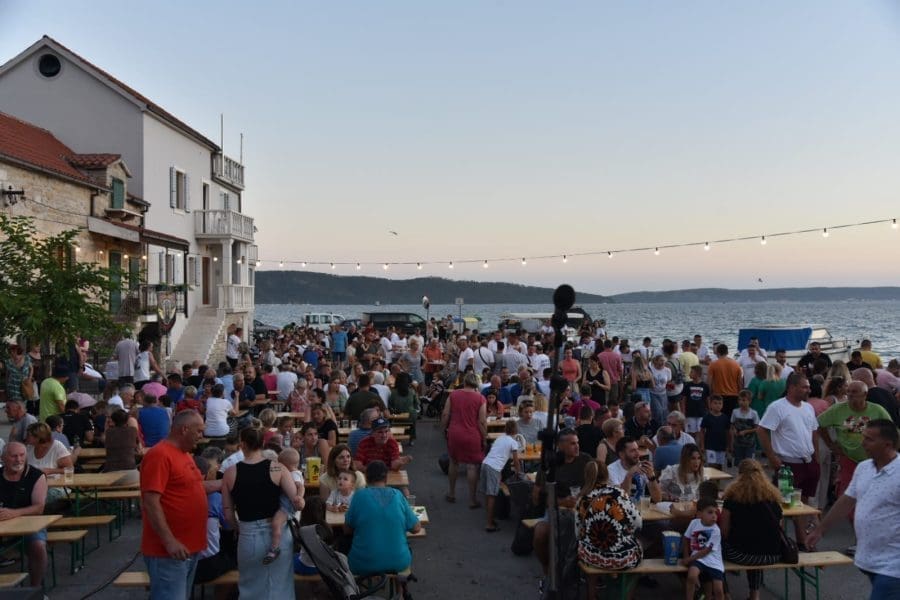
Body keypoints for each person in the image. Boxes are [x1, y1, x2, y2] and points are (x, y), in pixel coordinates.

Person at [807, 420, 899, 598]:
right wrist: (820, 529)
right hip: (870, 560)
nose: (862, 443)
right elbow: (846, 501)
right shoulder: (864, 468)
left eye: (869, 439)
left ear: (888, 445)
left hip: (894, 565)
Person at [222, 426, 302, 598]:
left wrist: (238, 528)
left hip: (248, 533)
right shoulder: (277, 468)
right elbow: (295, 501)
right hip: (279, 534)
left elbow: (228, 514)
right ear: (263, 443)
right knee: (281, 587)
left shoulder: (230, 473)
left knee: (250, 587)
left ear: (242, 445)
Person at [140, 410, 208, 600]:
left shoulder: (184, 454)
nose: (201, 436)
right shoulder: (160, 455)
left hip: (187, 548)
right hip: (168, 552)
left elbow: (193, 487)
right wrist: (169, 541)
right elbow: (150, 501)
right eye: (199, 431)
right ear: (185, 429)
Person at [757, 373, 820, 548]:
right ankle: (785, 542)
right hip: (788, 465)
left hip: (808, 462)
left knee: (804, 502)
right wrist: (771, 456)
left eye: (808, 387)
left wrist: (816, 458)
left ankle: (801, 540)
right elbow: (761, 430)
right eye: (804, 387)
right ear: (792, 387)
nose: (808, 390)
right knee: (786, 503)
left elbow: (814, 431)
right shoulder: (777, 407)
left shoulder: (808, 407)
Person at [720, 459, 785, 600]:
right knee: (756, 545)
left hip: (742, 554)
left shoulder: (732, 498)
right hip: (773, 554)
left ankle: (725, 593)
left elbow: (724, 531)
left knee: (714, 548)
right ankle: (754, 595)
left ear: (740, 475)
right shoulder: (773, 497)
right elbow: (780, 528)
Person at [532, 429, 593, 577]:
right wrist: (562, 501)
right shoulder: (550, 463)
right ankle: (547, 568)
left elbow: (597, 483)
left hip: (583, 509)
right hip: (557, 509)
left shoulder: (586, 460)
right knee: (540, 533)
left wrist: (583, 495)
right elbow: (537, 498)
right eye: (572, 443)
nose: (577, 446)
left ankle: (589, 574)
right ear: (560, 445)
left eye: (577, 443)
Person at [817, 381, 891, 502]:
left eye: (855, 392)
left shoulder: (877, 410)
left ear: (865, 394)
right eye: (848, 391)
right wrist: (830, 444)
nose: (850, 395)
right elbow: (819, 424)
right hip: (848, 458)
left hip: (872, 461)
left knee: (870, 494)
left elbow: (891, 431)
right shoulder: (838, 409)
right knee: (847, 494)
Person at [344, 460, 421, 577]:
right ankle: (399, 587)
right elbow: (416, 528)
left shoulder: (359, 496)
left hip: (362, 563)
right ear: (386, 478)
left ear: (366, 478)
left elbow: (347, 530)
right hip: (399, 562)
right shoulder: (398, 495)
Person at [576, 460, 642, 572]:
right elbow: (638, 524)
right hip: (622, 560)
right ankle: (625, 583)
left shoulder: (582, 498)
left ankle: (595, 583)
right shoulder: (619, 493)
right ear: (607, 475)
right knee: (640, 543)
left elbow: (577, 533)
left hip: (590, 557)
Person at [0, 441, 49, 587]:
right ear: (3, 458)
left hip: (30, 524)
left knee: (38, 546)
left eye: (22, 455)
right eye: (13, 456)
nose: (19, 460)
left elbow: (39, 508)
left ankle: (35, 590)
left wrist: (14, 513)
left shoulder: (36, 476)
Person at [441, 372, 486, 507]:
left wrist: (444, 429)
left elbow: (445, 414)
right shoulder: (480, 398)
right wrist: (484, 437)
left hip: (455, 433)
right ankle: (472, 499)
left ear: (464, 382)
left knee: (454, 462)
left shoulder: (453, 395)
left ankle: (451, 493)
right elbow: (481, 421)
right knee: (472, 466)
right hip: (472, 435)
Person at [480, 420, 522, 532]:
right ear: (516, 430)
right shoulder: (513, 442)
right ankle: (489, 524)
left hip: (485, 463)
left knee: (487, 494)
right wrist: (519, 473)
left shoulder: (500, 438)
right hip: (494, 468)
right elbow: (516, 461)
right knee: (492, 495)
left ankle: (490, 518)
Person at [266, 447, 305, 564]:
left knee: (276, 523)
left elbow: (301, 486)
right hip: (285, 505)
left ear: (285, 465)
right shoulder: (295, 473)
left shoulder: (293, 474)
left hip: (286, 507)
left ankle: (274, 548)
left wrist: (299, 496)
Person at [682, 498, 725, 600]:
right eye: (710, 512)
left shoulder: (716, 530)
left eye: (715, 512)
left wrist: (689, 559)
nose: (714, 516)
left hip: (714, 561)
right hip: (698, 559)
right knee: (692, 576)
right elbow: (685, 538)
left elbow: (706, 550)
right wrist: (686, 556)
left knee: (718, 590)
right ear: (699, 514)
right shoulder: (694, 523)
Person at [608, 436, 663, 505]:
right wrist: (629, 475)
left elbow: (658, 499)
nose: (638, 454)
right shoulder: (611, 470)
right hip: (622, 510)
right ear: (621, 454)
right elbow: (620, 500)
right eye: (633, 451)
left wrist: (652, 477)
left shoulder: (643, 467)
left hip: (641, 509)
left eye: (637, 449)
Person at [707, 344, 743, 417]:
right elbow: (739, 382)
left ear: (717, 352)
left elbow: (709, 383)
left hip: (718, 396)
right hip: (733, 396)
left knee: (718, 418)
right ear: (727, 352)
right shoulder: (736, 365)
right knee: (730, 418)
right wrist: (740, 395)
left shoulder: (713, 364)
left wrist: (709, 395)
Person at [698, 395, 730, 470]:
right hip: (710, 446)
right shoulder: (706, 417)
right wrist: (702, 445)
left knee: (719, 466)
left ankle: (718, 478)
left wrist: (728, 446)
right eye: (715, 403)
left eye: (720, 403)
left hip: (721, 446)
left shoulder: (725, 418)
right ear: (710, 404)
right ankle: (711, 478)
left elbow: (728, 433)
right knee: (712, 465)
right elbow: (702, 431)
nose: (718, 405)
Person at [388, 372, 419, 445]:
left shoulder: (393, 392)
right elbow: (417, 403)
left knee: (395, 418)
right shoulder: (412, 391)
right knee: (413, 416)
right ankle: (411, 439)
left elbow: (390, 404)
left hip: (398, 416)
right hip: (410, 416)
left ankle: (398, 437)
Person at [731, 390, 760, 463]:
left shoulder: (753, 413)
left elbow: (757, 428)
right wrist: (734, 429)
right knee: (739, 463)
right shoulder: (735, 412)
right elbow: (732, 424)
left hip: (750, 444)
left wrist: (746, 431)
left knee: (749, 463)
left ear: (749, 401)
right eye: (739, 400)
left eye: (744, 400)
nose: (741, 402)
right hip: (738, 443)